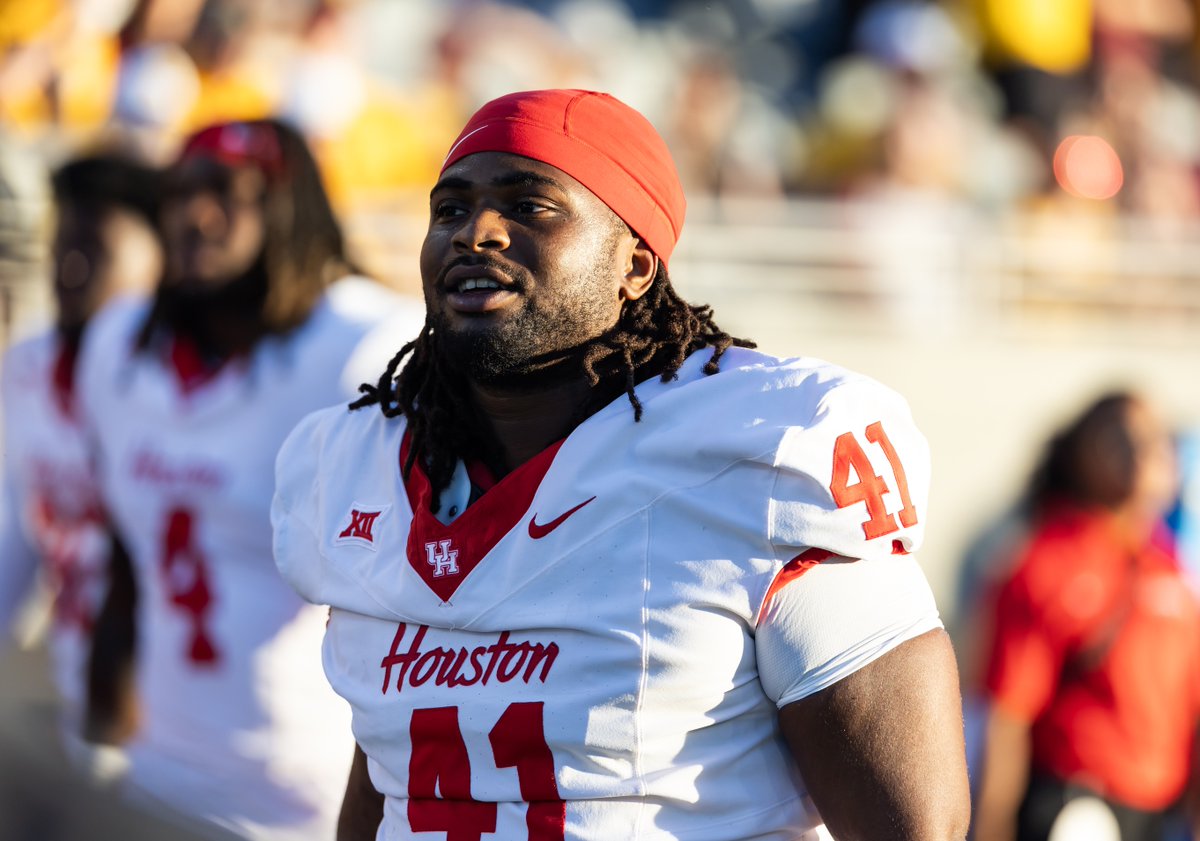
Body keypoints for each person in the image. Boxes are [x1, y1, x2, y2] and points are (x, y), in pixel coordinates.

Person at [271, 88, 971, 840]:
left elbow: (914, 827)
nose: (477, 233)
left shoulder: (768, 450)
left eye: (529, 206)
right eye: (449, 210)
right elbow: (389, 765)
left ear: (635, 264)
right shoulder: (355, 457)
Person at [77, 117, 425, 840]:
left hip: (313, 798)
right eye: (177, 193)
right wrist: (99, 740)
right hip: (156, 773)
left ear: (287, 204)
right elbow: (123, 558)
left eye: (225, 192)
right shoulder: (122, 343)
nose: (193, 216)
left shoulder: (365, 346)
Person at [972, 392, 1200, 841]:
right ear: (1082, 456)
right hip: (1076, 812)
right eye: (1118, 438)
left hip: (1158, 815)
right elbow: (1005, 718)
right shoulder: (1043, 563)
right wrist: (991, 826)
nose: (1140, 451)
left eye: (1153, 438)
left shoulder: (1171, 568)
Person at [0, 153, 162, 755]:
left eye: (91, 250)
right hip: (77, 694)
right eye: (58, 250)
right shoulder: (27, 365)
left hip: (180, 718)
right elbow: (20, 533)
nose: (65, 271)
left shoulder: (186, 387)